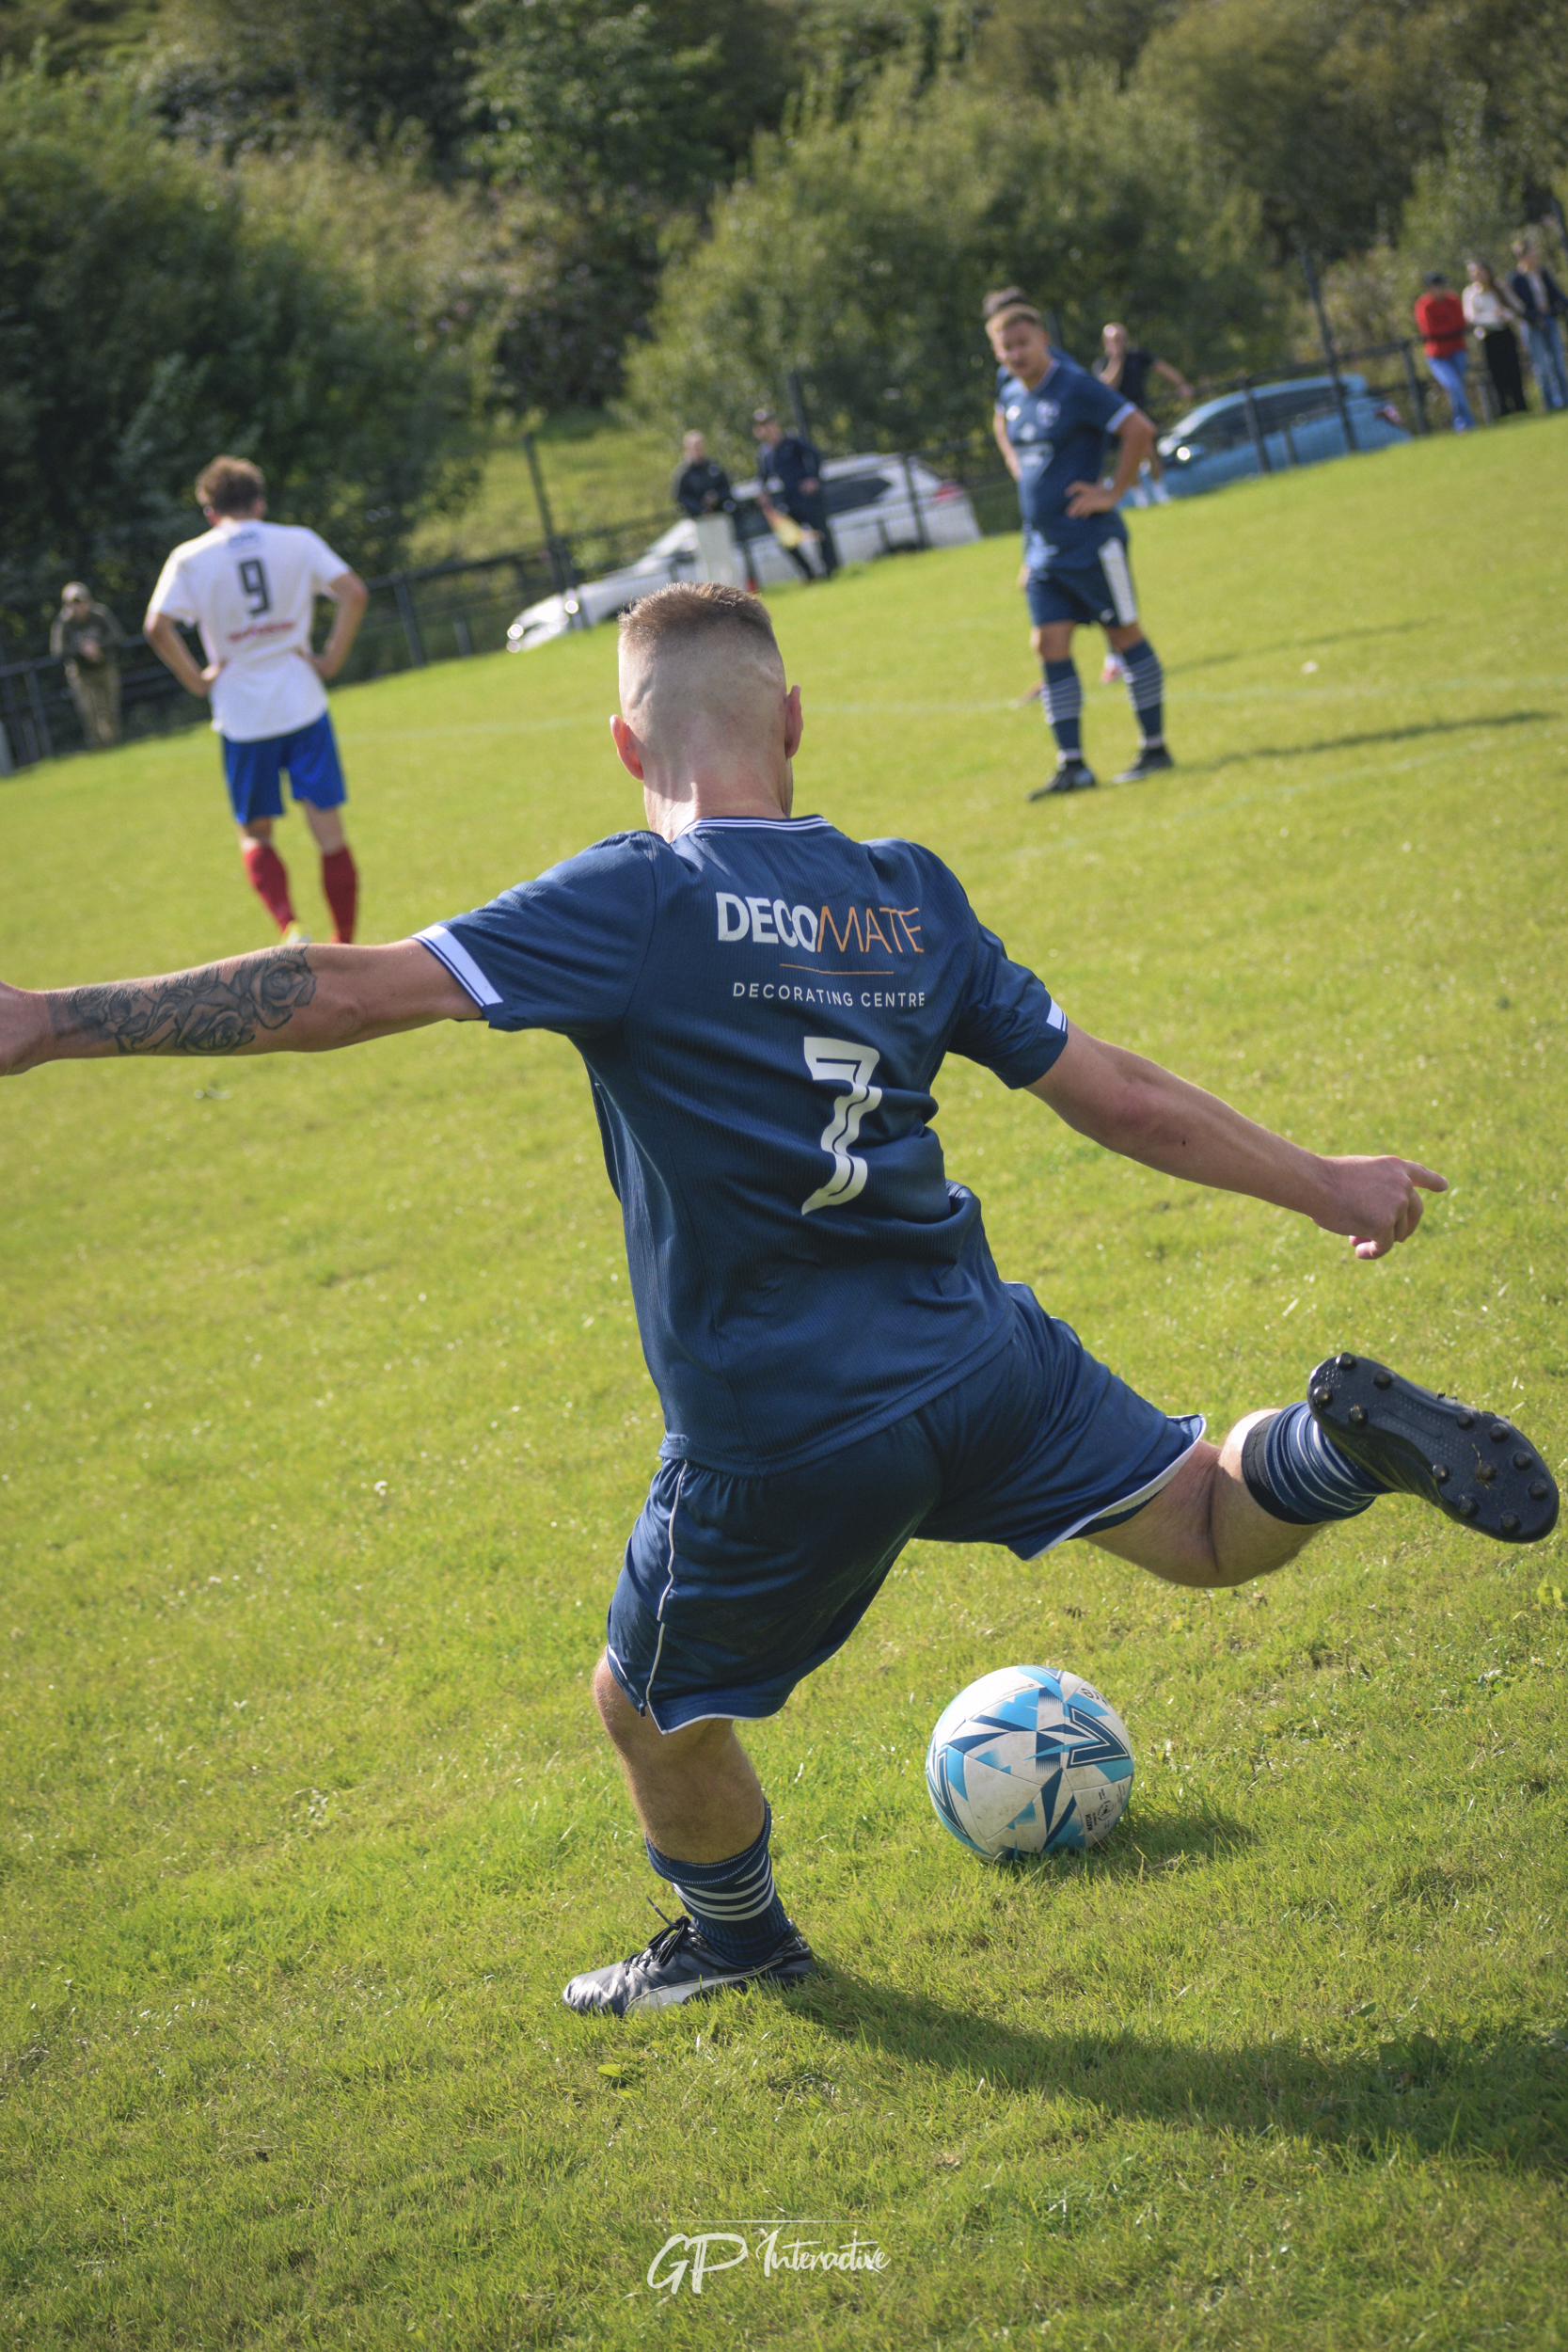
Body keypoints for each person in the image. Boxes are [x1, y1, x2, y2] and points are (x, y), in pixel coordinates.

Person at [4, 581, 1555, 2019]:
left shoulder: (641, 897)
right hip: (978, 1352)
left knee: (644, 1708)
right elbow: (1118, 1096)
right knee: (1212, 1529)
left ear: (623, 742)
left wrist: (49, 1025)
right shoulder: (907, 896)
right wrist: (1323, 1181)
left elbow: (342, 988)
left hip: (785, 1428)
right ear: (794, 721)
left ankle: (734, 1945)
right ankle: (1340, 1452)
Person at [143, 456, 370, 946]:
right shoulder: (299, 540)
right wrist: (329, 659)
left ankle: (291, 927)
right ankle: (346, 943)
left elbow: (156, 625)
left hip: (242, 715)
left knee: (255, 833)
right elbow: (353, 592)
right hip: (302, 700)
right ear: (260, 501)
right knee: (329, 833)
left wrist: (197, 681)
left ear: (209, 511)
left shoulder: (191, 557)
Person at [985, 287, 1173, 796]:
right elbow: (1020, 458)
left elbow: (1139, 428)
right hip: (1044, 551)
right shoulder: (1012, 391)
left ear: (1042, 338)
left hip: (1091, 544)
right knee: (1047, 644)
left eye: (1022, 343)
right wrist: (1028, 547)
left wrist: (1114, 491)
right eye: (1005, 348)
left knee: (1123, 636)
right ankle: (1073, 765)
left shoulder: (1073, 385)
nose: (1014, 354)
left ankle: (1155, 749)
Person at [1093, 324, 1195, 506]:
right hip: (1118, 418)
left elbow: (1162, 368)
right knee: (1128, 457)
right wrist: (1117, 360)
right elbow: (1108, 386)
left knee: (1149, 453)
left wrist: (1181, 384)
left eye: (1121, 338)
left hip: (1140, 413)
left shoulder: (1138, 355)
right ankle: (1141, 498)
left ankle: (1159, 492)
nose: (1119, 343)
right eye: (1114, 339)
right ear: (1105, 342)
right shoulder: (1101, 363)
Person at [752, 409, 839, 581]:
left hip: (807, 497)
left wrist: (813, 478)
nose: (766, 429)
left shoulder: (792, 442)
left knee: (821, 533)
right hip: (788, 500)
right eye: (761, 426)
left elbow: (816, 455)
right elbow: (762, 477)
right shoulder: (764, 454)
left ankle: (831, 571)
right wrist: (762, 493)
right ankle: (808, 573)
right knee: (787, 539)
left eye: (768, 424)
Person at [50, 581, 124, 749]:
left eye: (80, 601)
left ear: (88, 600)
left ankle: (113, 743)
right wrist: (82, 650)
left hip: (105, 667)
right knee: (87, 711)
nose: (78, 606)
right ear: (66, 605)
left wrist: (97, 646)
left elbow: (116, 636)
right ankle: (97, 745)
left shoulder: (100, 614)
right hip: (80, 673)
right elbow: (58, 651)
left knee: (110, 708)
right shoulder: (64, 623)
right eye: (72, 603)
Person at [672, 431, 742, 588]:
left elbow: (727, 489)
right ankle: (711, 596)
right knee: (707, 560)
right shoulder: (684, 473)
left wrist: (716, 497)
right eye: (695, 447)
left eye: (701, 446)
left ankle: (736, 594)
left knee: (726, 556)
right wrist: (699, 508)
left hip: (719, 516)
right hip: (700, 521)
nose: (699, 450)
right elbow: (681, 498)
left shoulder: (713, 467)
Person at [1506, 236, 1568, 412]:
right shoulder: (1515, 278)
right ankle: (1550, 404)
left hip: (1549, 320)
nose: (1536, 255)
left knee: (1558, 362)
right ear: (1522, 256)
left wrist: (1560, 308)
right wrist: (1534, 318)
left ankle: (1564, 400)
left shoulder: (1542, 272)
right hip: (1532, 326)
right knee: (1541, 366)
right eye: (1532, 252)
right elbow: (1519, 307)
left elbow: (1556, 294)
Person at [1463, 260, 1528, 417]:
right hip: (1488, 337)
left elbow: (1518, 308)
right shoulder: (1471, 294)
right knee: (1496, 373)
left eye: (1481, 271)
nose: (1478, 276)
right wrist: (1494, 317)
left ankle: (1521, 405)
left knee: (1513, 369)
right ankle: (1504, 410)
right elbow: (1472, 318)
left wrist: (1505, 315)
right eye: (1474, 273)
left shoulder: (1499, 288)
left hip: (1505, 333)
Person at [1414, 275, 1474, 432]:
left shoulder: (1453, 300)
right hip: (1437, 355)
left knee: (1458, 387)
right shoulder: (1424, 305)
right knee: (1453, 385)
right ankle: (1466, 422)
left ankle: (1461, 423)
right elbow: (1429, 330)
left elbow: (1460, 322)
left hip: (1457, 349)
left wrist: (1448, 330)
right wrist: (1450, 329)